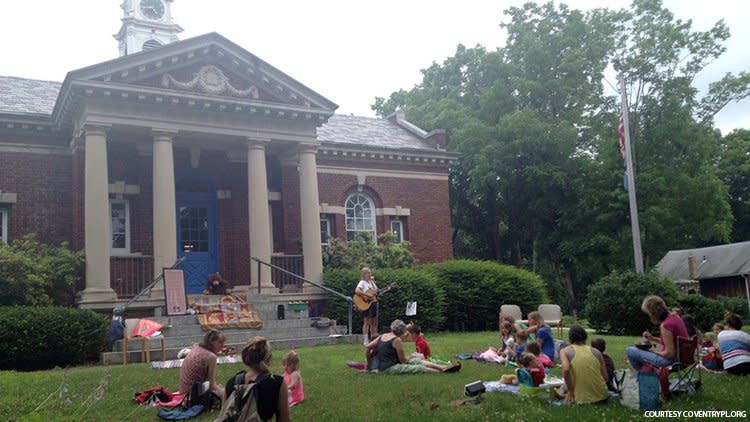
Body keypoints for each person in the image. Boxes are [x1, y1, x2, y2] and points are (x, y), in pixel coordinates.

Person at [225, 336, 290, 422]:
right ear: (269, 358)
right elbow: (284, 419)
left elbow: (224, 416)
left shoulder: (231, 382)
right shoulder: (277, 383)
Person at [366, 319, 460, 374]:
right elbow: (403, 361)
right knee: (418, 367)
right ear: (402, 331)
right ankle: (442, 371)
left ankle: (444, 367)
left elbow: (367, 347)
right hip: (390, 368)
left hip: (385, 366)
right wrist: (411, 356)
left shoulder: (382, 336)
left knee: (417, 361)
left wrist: (368, 367)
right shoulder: (396, 340)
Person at [625, 295, 688, 370]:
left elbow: (670, 354)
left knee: (629, 350)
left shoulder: (666, 325)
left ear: (653, 313)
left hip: (670, 361)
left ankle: (643, 377)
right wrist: (652, 338)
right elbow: (670, 342)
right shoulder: (675, 317)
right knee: (635, 347)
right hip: (683, 358)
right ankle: (645, 375)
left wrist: (655, 351)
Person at [560, 325, 609, 404]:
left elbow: (566, 369)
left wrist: (570, 391)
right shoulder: (596, 351)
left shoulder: (564, 351)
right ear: (585, 336)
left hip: (581, 398)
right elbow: (606, 378)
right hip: (602, 395)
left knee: (565, 383)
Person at [179, 329, 227, 407]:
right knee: (229, 394)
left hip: (183, 392)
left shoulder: (197, 348)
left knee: (221, 387)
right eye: (220, 343)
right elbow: (212, 386)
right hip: (193, 396)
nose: (222, 346)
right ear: (212, 342)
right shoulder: (211, 357)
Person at [355, 267, 379, 345]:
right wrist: (367, 295)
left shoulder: (372, 282)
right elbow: (357, 291)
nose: (370, 274)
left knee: (373, 322)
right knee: (367, 321)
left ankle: (373, 339)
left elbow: (376, 292)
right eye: (368, 273)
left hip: (373, 302)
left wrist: (387, 289)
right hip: (367, 303)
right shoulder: (362, 282)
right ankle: (365, 340)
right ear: (364, 274)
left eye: (370, 272)